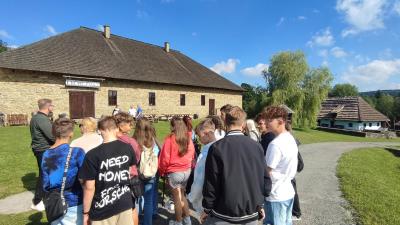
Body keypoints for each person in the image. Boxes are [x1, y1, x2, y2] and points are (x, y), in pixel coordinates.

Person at [201, 106, 267, 225]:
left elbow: (211, 183)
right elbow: (264, 179)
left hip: (223, 213)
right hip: (249, 212)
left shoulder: (216, 148)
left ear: (225, 122)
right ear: (243, 124)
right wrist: (260, 203)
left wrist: (207, 208)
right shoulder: (256, 146)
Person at [79, 116, 137, 225]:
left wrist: (85, 212)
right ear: (116, 129)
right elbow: (129, 171)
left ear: (100, 131)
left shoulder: (92, 155)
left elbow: (89, 187)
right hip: (123, 203)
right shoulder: (128, 148)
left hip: (102, 207)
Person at [41, 118, 86, 225]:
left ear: (53, 132)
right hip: (74, 202)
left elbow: (45, 184)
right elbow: (85, 180)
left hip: (53, 205)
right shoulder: (77, 152)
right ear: (71, 133)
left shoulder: (46, 154)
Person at [263, 106, 298, 225]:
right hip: (288, 192)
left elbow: (267, 171)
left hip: (276, 194)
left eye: (270, 120)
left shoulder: (275, 144)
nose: (266, 122)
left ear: (281, 121)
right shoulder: (290, 138)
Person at [158, 117, 195, 225]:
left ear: (173, 126)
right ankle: (187, 220)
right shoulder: (188, 138)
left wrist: (162, 171)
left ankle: (178, 222)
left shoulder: (170, 139)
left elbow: (164, 158)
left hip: (175, 172)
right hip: (186, 171)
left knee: (177, 199)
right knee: (182, 196)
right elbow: (192, 154)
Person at [114, 112, 141, 225]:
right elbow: (137, 158)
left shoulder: (109, 140)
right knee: (132, 208)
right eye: (129, 124)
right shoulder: (131, 142)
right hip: (129, 176)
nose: (131, 127)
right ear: (121, 125)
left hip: (114, 176)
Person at [133, 118, 161, 225]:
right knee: (148, 200)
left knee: (137, 199)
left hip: (138, 174)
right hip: (150, 173)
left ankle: (136, 220)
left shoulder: (135, 141)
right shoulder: (152, 140)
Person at [30, 98, 55, 211]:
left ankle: (47, 196)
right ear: (48, 106)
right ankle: (37, 201)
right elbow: (51, 136)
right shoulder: (41, 119)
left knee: (47, 174)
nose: (53, 108)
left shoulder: (37, 117)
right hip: (43, 150)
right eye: (52, 106)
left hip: (41, 149)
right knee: (44, 174)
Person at [188, 118, 216, 218]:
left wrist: (192, 197)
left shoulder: (205, 154)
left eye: (200, 136)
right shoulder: (223, 148)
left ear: (207, 133)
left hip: (207, 201)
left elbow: (199, 180)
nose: (199, 140)